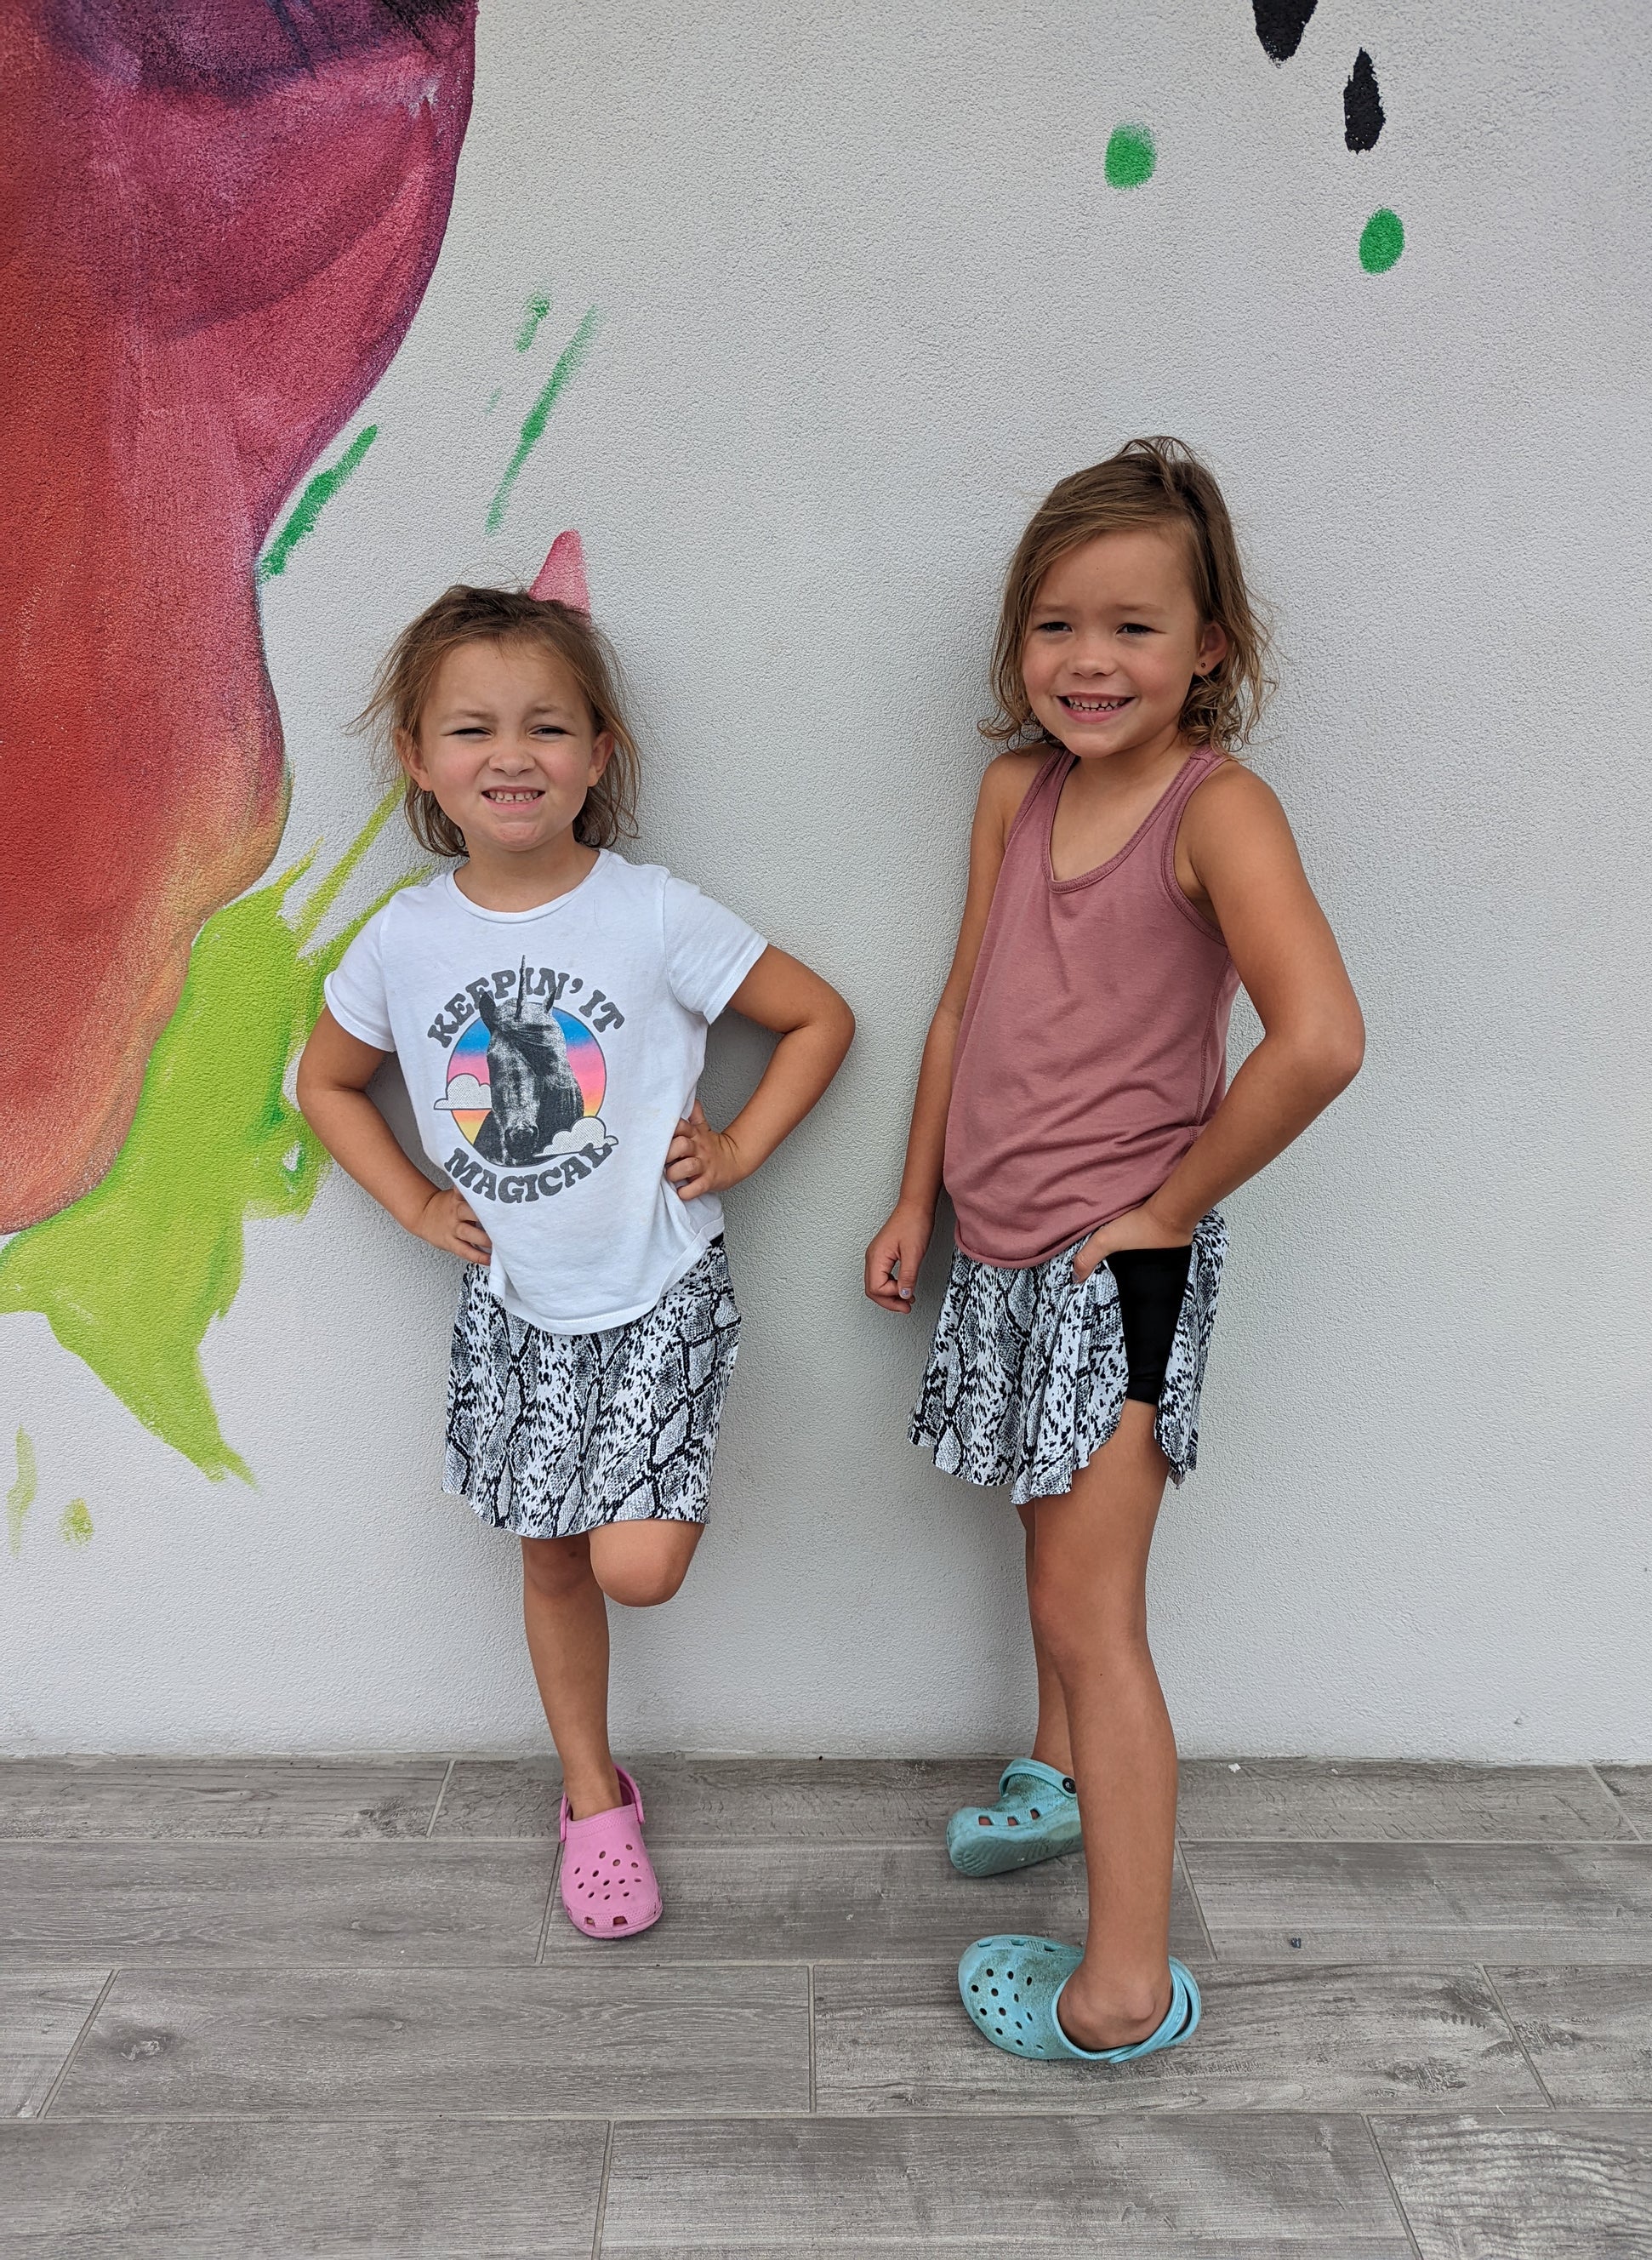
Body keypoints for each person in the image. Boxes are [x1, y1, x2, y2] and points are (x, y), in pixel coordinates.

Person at [865, 438, 1363, 2063]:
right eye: (1058, 624)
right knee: (1045, 1536)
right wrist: (918, 1200)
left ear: (1209, 647)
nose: (1091, 661)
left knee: (1094, 1609)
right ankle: (1057, 1773)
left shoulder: (1222, 814)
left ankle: (1123, 1992)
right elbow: (964, 1007)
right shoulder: (1018, 793)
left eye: (1135, 628)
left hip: (1114, 1268)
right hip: (1004, 1248)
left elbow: (1320, 1040)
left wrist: (1165, 1209)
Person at [299, 582, 852, 1938]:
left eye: (546, 726)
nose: (512, 755)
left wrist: (741, 1146)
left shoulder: (651, 913)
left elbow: (817, 1018)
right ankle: (594, 1800)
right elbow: (327, 1083)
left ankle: (605, 1756)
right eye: (472, 728)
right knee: (550, 1560)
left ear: (599, 753)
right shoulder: (405, 939)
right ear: (418, 759)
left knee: (633, 1566)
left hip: (660, 1289)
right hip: (515, 1307)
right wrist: (415, 1204)